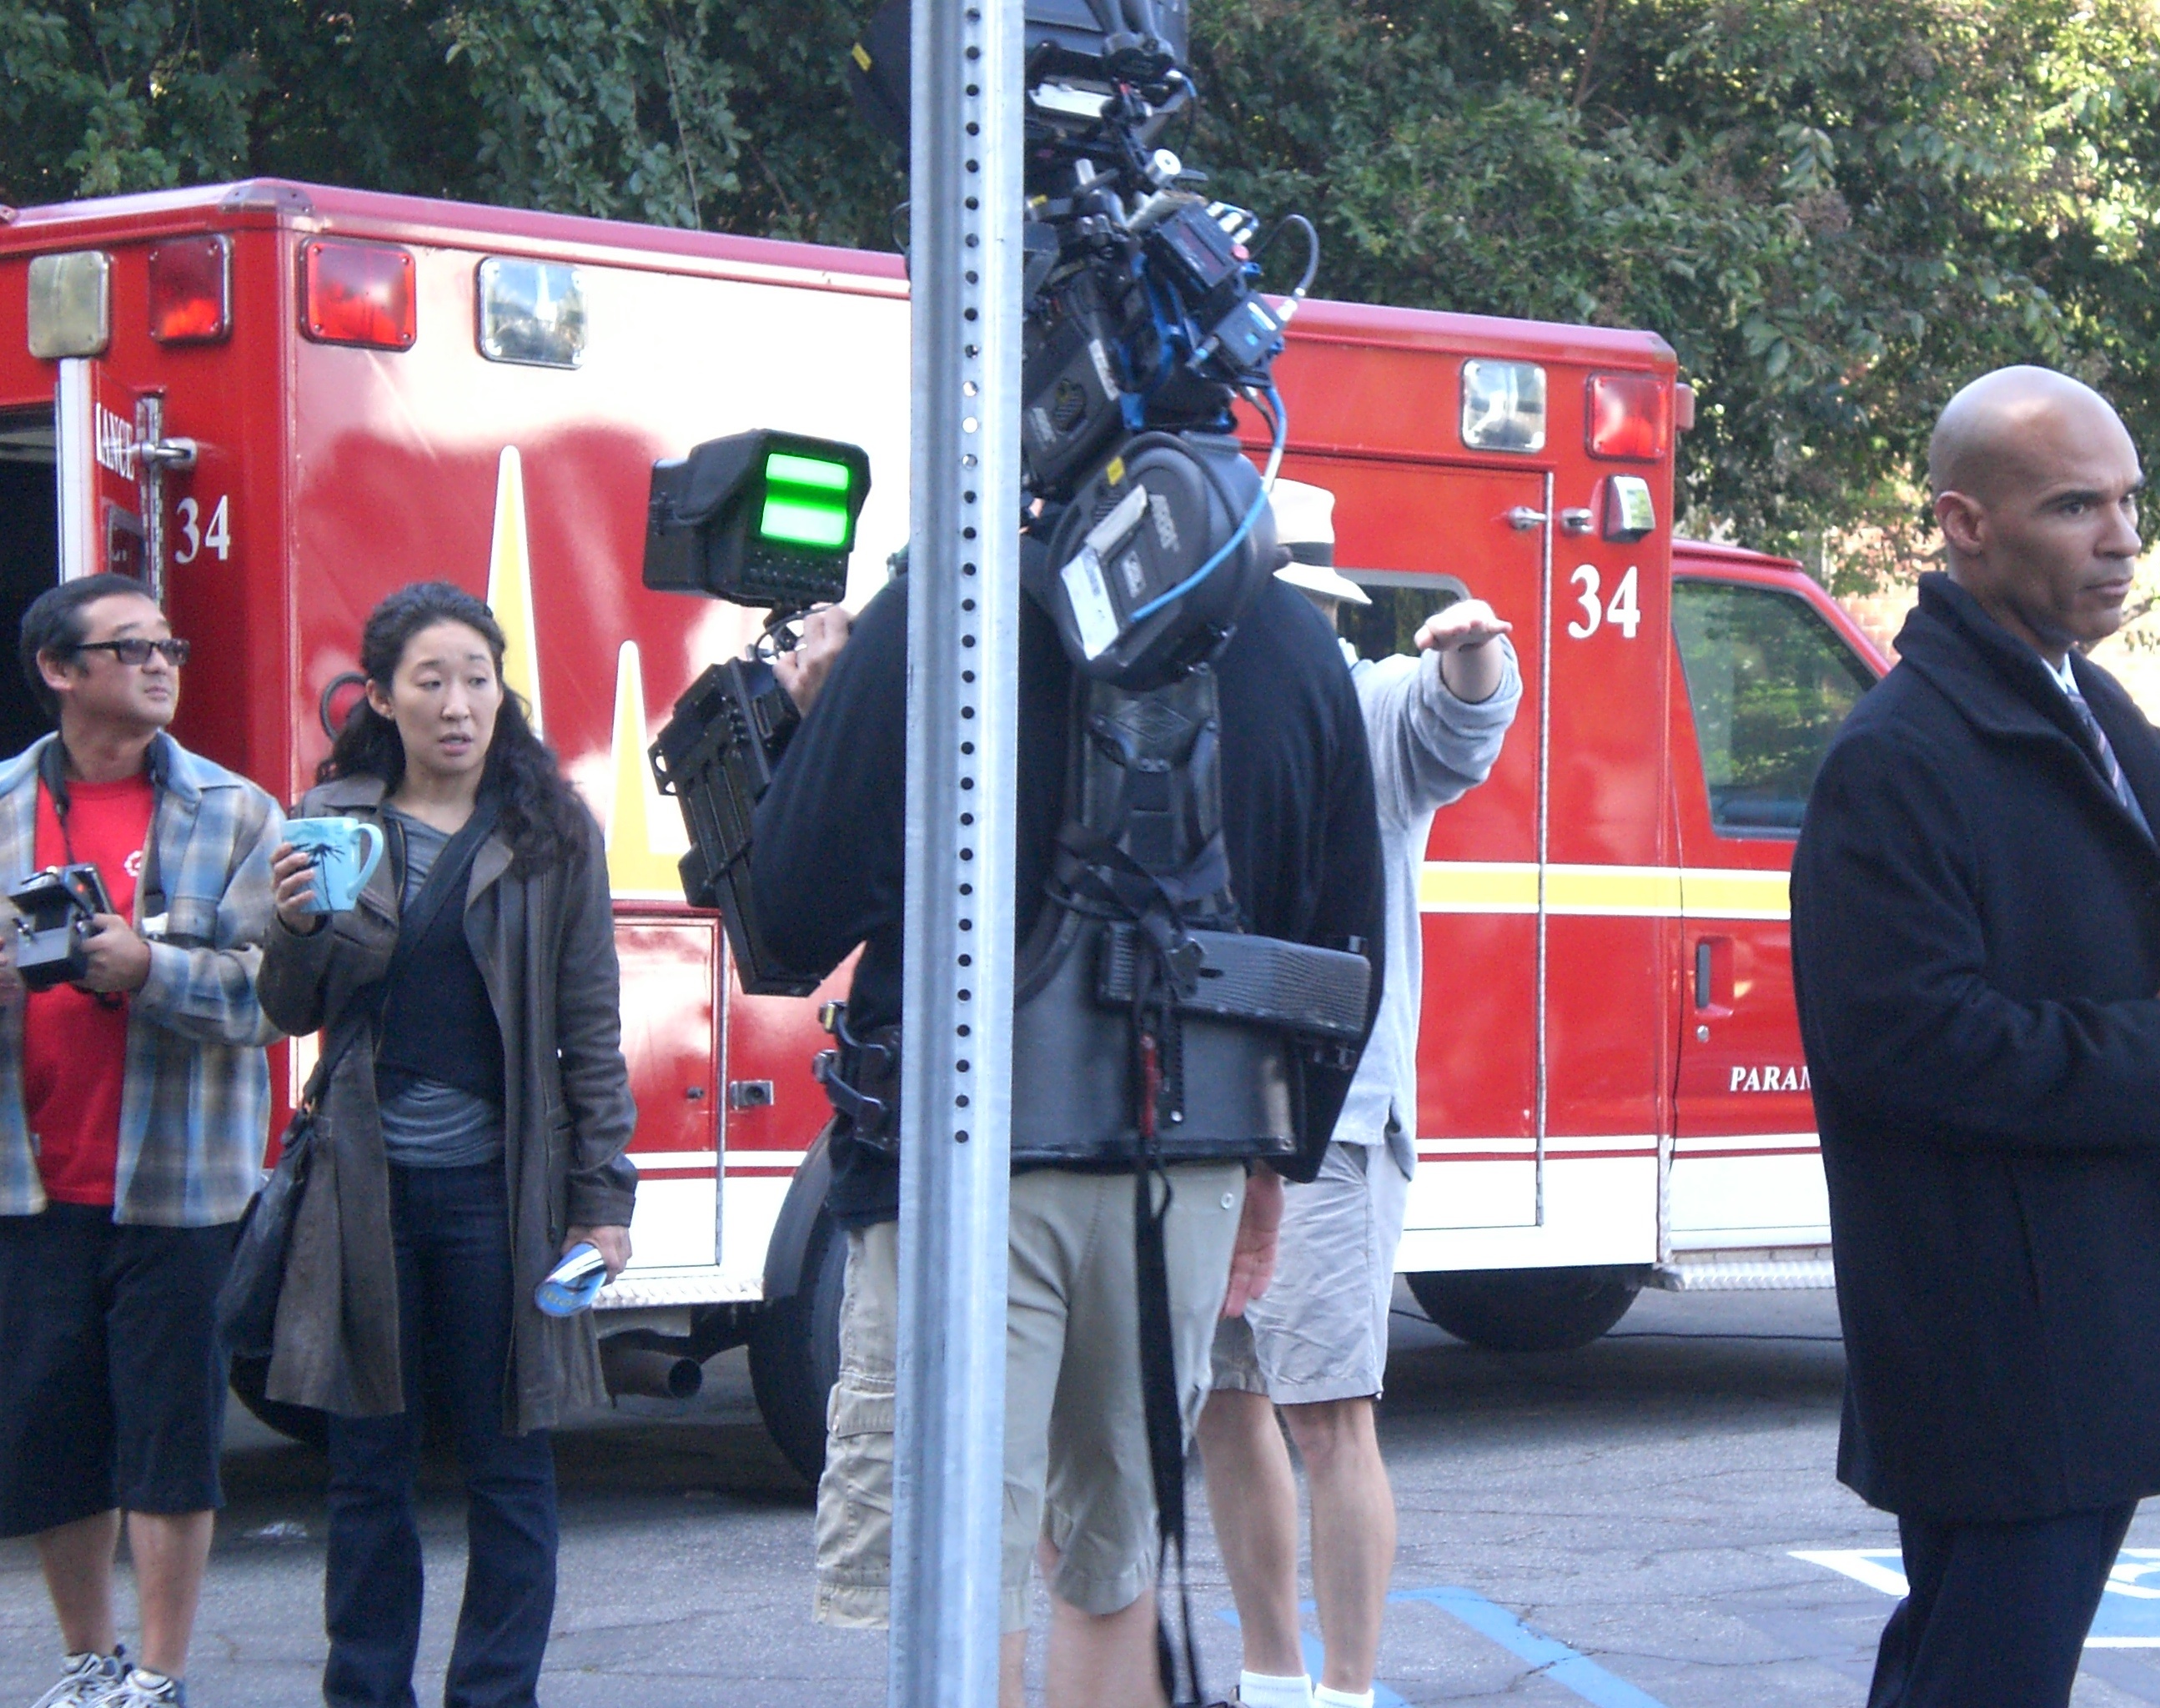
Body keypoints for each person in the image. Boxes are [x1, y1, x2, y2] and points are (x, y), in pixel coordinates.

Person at [1790, 366, 2160, 1708]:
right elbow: (1899, 1044)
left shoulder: (2113, 725)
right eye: (2074, 506)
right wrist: (2158, 1051)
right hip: (1998, 1334)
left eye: (2129, 502)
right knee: (1987, 1669)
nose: (2122, 540)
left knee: (1965, 1663)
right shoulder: (1900, 758)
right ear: (1964, 524)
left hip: (2096, 1315)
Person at [754, 557, 1385, 1708]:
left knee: (966, 1570)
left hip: (960, 1163)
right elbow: (1340, 952)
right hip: (1183, 1166)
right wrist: (1269, 1161)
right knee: (1115, 1564)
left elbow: (791, 910)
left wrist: (816, 719)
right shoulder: (1294, 639)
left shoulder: (945, 599)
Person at [254, 581, 636, 1708]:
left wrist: (601, 1201)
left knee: (512, 1467)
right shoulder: (337, 820)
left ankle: (494, 1693)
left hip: (499, 1196)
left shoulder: (549, 832)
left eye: (477, 676)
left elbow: (590, 1029)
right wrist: (293, 925)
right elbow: (289, 1009)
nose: (459, 703)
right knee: (369, 1471)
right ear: (381, 696)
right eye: (430, 680)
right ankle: (367, 1692)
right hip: (363, 1194)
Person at [1197, 480, 1519, 1708]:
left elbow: (1457, 729)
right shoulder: (1184, 701)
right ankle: (1273, 1679)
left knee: (1329, 1416)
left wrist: (1476, 655)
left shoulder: (1361, 695)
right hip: (1194, 1119)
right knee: (1225, 1403)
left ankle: (1347, 1694)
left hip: (1326, 1124)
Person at [0, 575, 283, 1708]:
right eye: (131, 648)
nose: (162, 664)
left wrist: (149, 970)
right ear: (60, 672)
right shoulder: (5, 804)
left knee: (171, 1438)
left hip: (182, 1185)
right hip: (29, 1182)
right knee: (52, 1435)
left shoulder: (238, 811)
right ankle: (86, 1661)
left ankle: (157, 1675)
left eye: (169, 646)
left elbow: (278, 999)